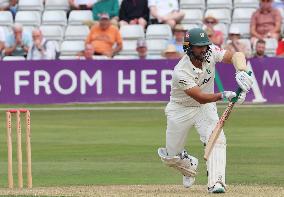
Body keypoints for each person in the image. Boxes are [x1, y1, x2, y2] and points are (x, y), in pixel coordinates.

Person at [157, 28, 253, 193]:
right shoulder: (180, 71)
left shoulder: (211, 52)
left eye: (205, 45)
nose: (204, 49)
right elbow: (200, 96)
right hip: (181, 108)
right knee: (171, 157)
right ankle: (189, 166)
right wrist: (224, 95)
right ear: (188, 47)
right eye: (199, 46)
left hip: (205, 108)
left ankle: (216, 183)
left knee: (217, 139)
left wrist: (241, 71)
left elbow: (237, 55)